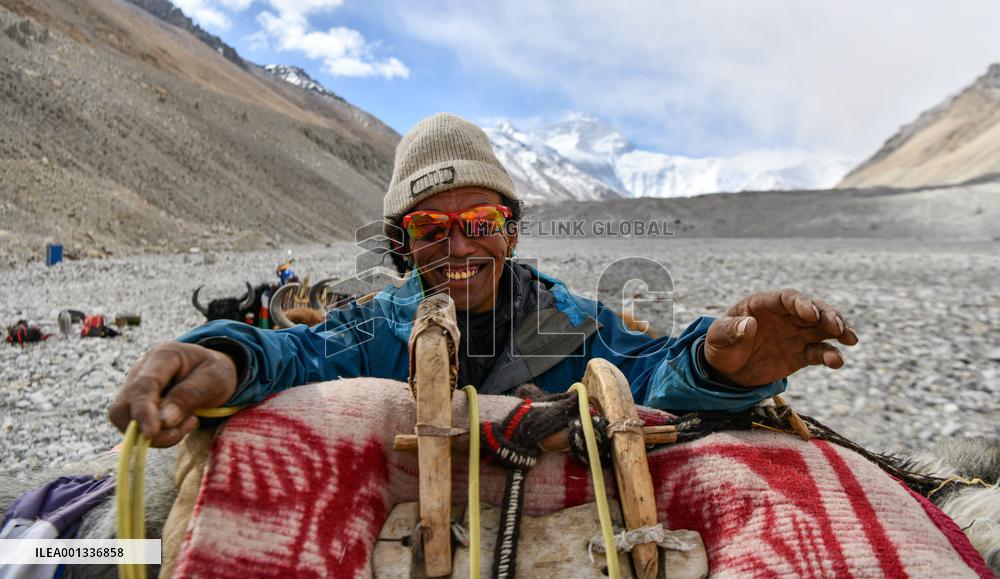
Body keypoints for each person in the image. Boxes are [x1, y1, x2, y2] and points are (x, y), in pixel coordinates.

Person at [110, 113, 858, 448]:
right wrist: (226, 354)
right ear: (402, 245)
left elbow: (650, 371)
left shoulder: (572, 322)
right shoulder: (375, 328)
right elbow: (298, 357)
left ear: (513, 228)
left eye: (482, 219)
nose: (458, 243)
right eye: (429, 228)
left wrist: (719, 366)